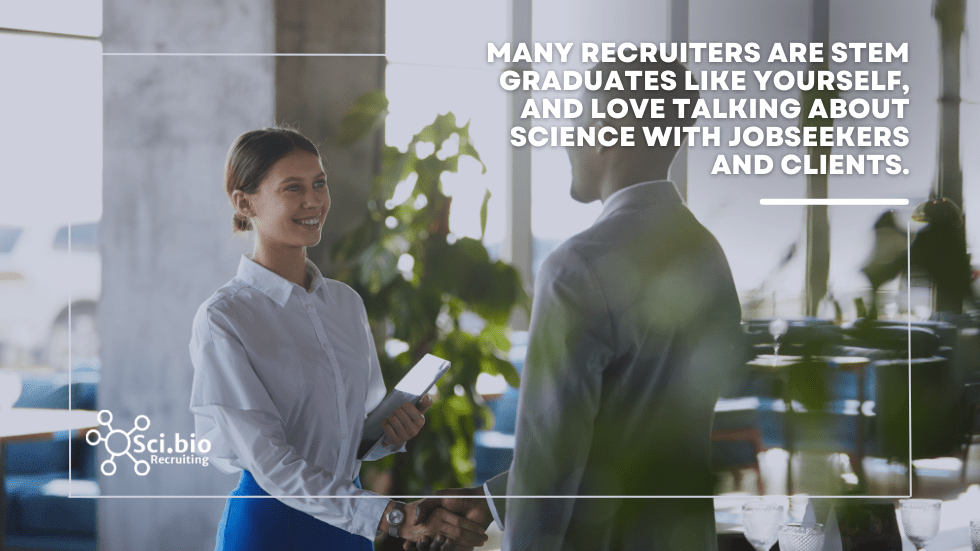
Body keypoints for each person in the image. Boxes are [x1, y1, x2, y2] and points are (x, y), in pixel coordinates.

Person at [410, 59, 743, 551]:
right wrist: (494, 500)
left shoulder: (577, 267)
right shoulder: (707, 254)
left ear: (610, 131)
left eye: (577, 121)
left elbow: (553, 469)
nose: (568, 140)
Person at [188, 127, 488, 551]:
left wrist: (389, 433)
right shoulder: (226, 318)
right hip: (272, 528)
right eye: (293, 188)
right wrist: (391, 515)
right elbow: (270, 461)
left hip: (348, 530)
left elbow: (350, 434)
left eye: (319, 184)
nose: (314, 201)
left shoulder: (345, 304)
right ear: (244, 202)